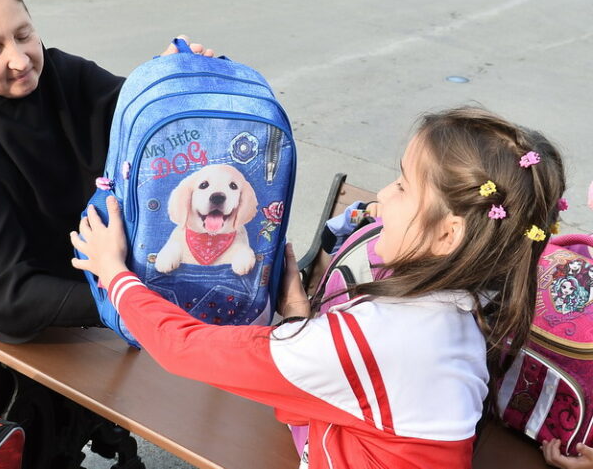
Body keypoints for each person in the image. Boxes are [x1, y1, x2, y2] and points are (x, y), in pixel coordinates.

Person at [70, 106, 568, 468]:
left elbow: (186, 350)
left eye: (402, 186)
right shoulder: (463, 308)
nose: (384, 195)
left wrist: (114, 274)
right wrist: (296, 317)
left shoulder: (381, 335)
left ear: (447, 234)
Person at [0, 0, 211, 469]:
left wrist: (168, 80)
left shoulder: (59, 74)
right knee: (23, 452)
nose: (19, 59)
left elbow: (130, 110)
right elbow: (2, 293)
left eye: (23, 33)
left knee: (74, 426)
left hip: (77, 298)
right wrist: (124, 296)